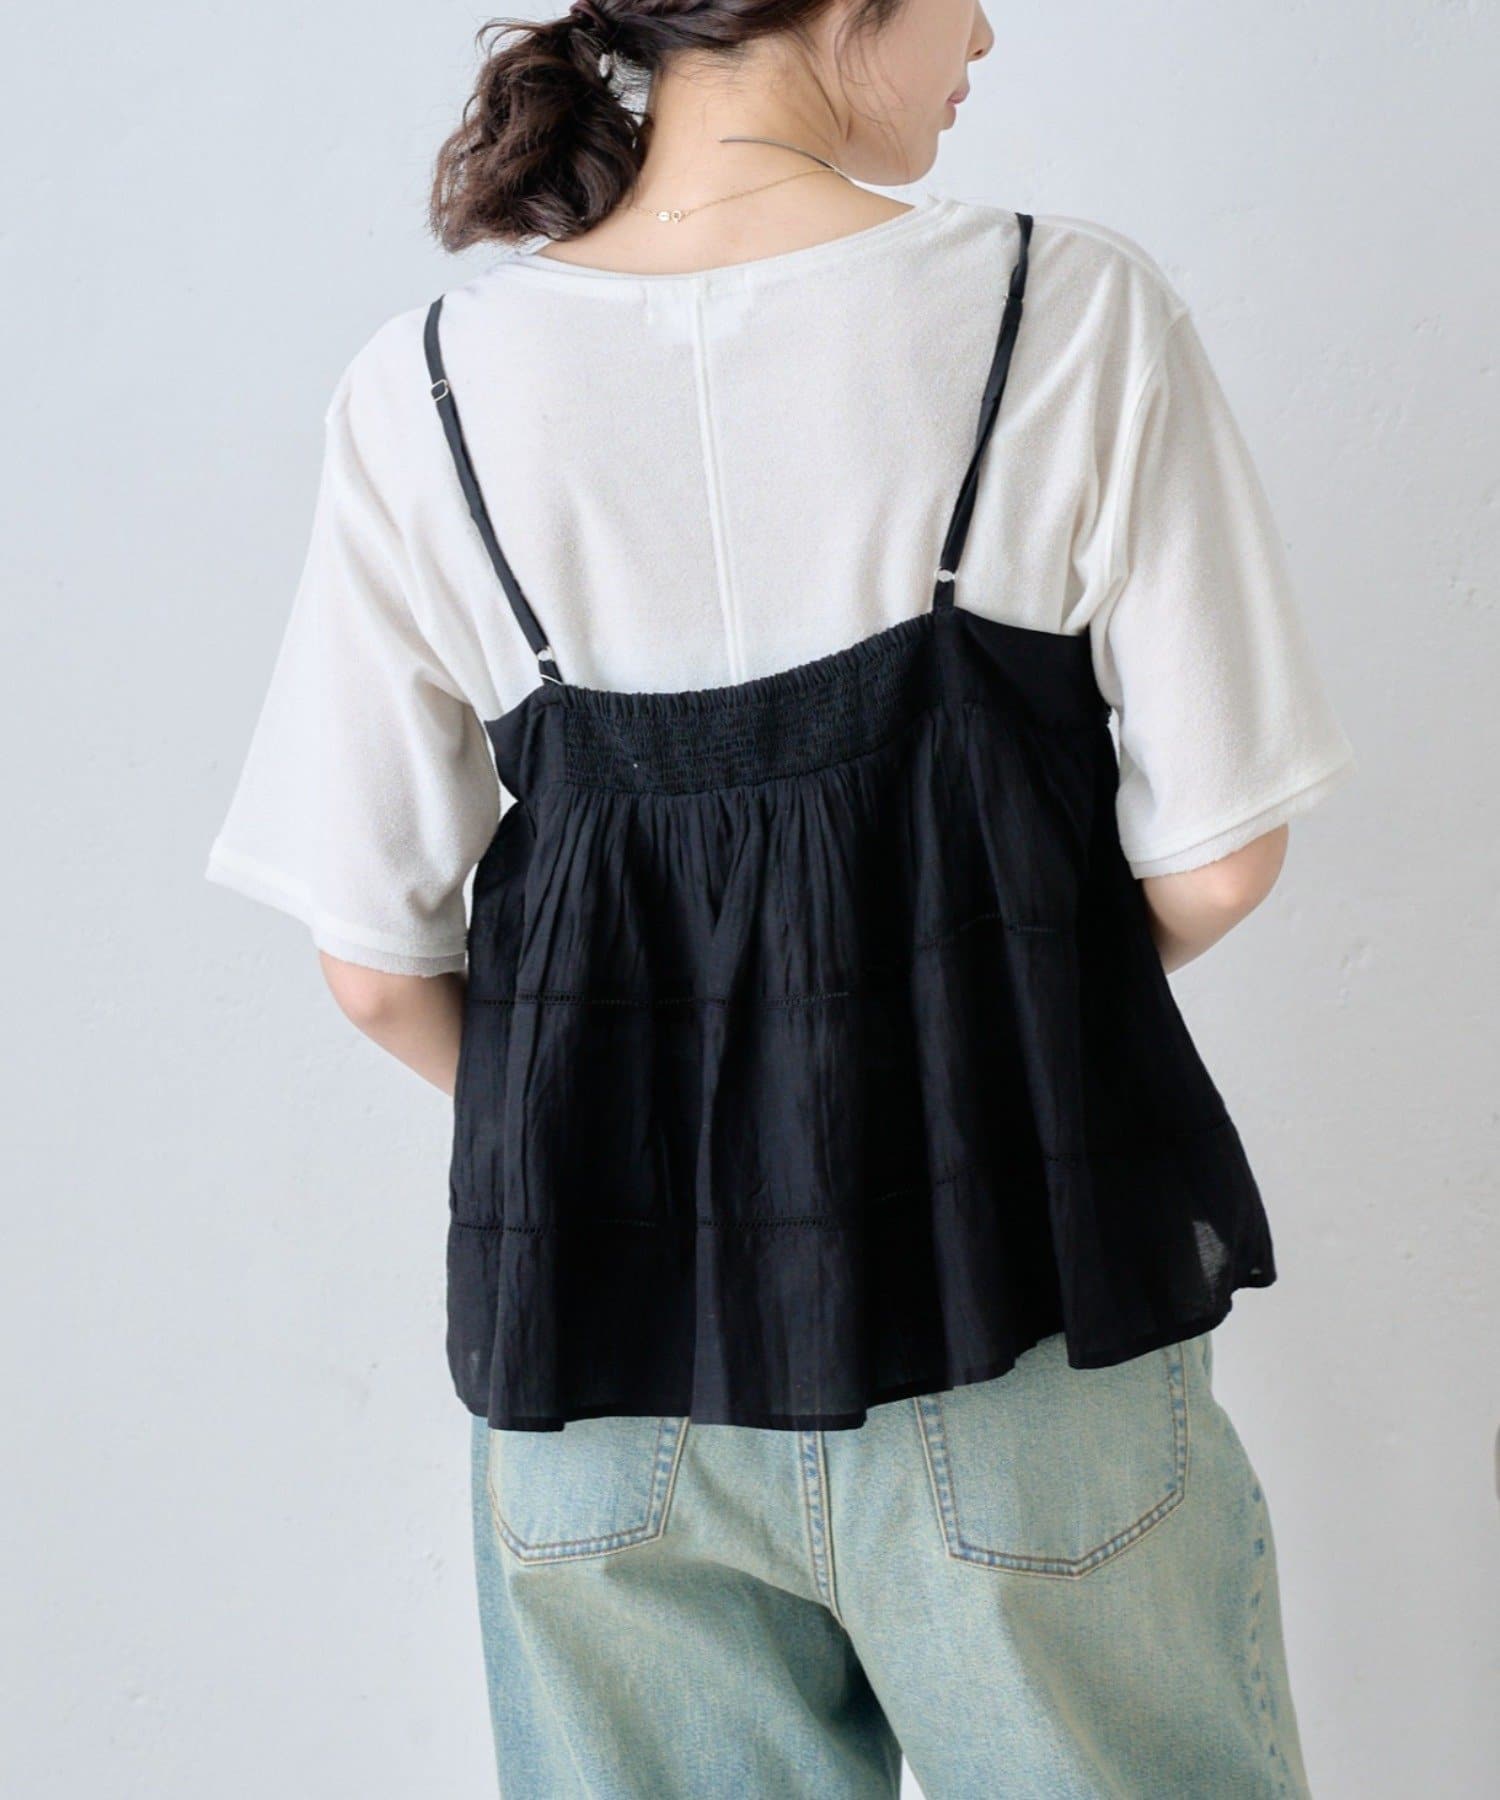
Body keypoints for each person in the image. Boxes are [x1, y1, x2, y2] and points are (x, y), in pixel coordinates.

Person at [205, 1, 1357, 1792]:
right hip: (1016, 1320)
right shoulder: (1067, 311)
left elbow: (371, 966)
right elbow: (1220, 853)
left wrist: (662, 1124)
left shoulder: (424, 387)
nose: (988, 28)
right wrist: (985, 1044)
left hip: (606, 1365)